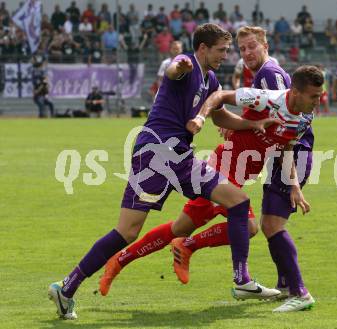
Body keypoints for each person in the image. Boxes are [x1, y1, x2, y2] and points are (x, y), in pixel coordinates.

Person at [48, 23, 279, 320]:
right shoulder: (185, 66)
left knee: (238, 201)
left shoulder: (209, 80)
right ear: (203, 48)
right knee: (127, 231)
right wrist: (176, 64)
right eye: (221, 50)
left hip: (180, 157)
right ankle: (66, 287)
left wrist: (252, 124)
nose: (226, 55)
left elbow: (221, 115)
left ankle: (242, 280)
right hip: (155, 154)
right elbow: (174, 70)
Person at [100, 27, 320, 313]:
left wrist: (293, 183)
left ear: (265, 45)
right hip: (225, 168)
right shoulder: (273, 84)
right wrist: (214, 119)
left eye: (250, 46)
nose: (245, 53)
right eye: (242, 49)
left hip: (235, 169)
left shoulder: (273, 81)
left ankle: (124, 260)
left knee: (181, 227)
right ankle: (190, 252)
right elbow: (230, 101)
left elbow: (282, 134)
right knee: (247, 225)